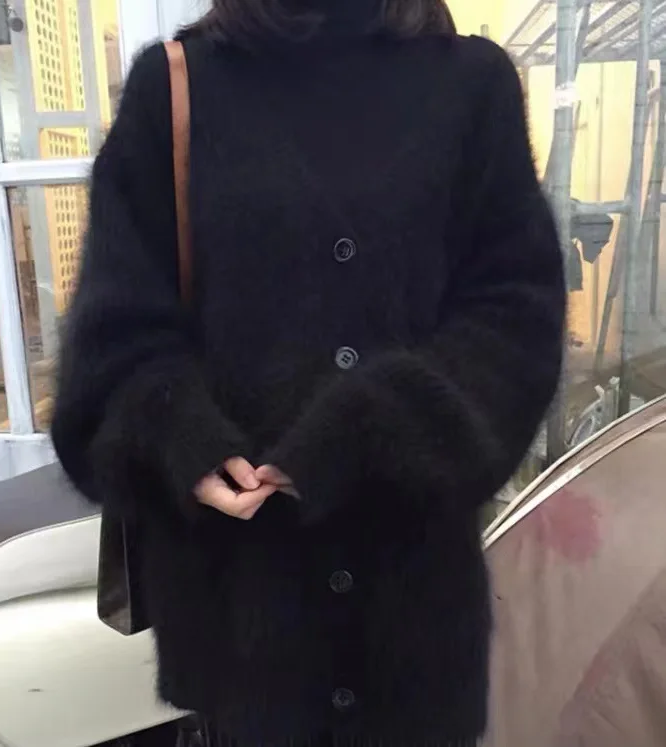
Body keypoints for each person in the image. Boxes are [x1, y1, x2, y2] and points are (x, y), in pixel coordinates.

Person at [51, 0, 566, 745]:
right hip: (246, 620)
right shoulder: (177, 86)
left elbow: (515, 317)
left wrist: (368, 431)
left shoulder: (471, 85)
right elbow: (113, 341)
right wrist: (182, 438)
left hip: (413, 620)